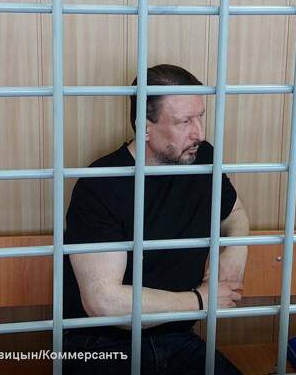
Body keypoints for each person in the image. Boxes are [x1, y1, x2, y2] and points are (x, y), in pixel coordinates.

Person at [62, 64, 250, 375]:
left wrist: (236, 249)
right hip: (100, 345)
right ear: (145, 127)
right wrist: (199, 301)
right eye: (184, 122)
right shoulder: (101, 184)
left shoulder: (202, 159)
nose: (200, 133)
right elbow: (103, 302)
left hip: (175, 340)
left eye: (200, 117)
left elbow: (235, 214)